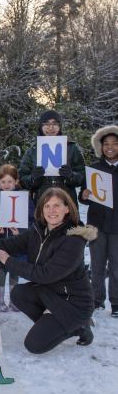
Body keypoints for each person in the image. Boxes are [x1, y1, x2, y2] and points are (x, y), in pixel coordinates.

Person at [0, 187, 96, 354]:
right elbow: (6, 244)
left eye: (56, 206)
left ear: (67, 208)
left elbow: (46, 274)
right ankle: (53, 324)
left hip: (73, 303)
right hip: (50, 294)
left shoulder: (73, 239)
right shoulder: (38, 231)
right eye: (47, 206)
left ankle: (77, 327)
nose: (51, 211)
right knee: (18, 293)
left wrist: (9, 261)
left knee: (34, 345)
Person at [79, 125, 118, 317]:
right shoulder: (94, 170)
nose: (110, 147)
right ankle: (97, 300)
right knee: (97, 264)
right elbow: (83, 197)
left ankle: (116, 303)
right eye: (106, 144)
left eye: (114, 144)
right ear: (100, 147)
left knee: (117, 266)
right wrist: (85, 195)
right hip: (97, 225)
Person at [0, 164, 34, 312]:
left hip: (18, 243)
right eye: (3, 182)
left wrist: (21, 231)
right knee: (0, 271)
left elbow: (32, 220)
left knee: (15, 271)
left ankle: (13, 300)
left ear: (16, 181)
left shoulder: (24, 199)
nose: (6, 185)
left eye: (10, 181)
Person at [19, 110, 85, 206]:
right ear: (41, 127)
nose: (51, 127)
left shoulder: (72, 148)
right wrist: (33, 178)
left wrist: (71, 175)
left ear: (60, 126)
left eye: (55, 124)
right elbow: (22, 179)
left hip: (67, 203)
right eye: (46, 124)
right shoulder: (32, 151)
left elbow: (82, 176)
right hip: (42, 203)